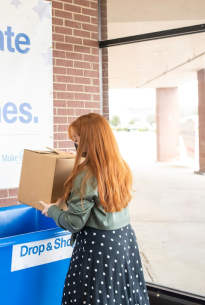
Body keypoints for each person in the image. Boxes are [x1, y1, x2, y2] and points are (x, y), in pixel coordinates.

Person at [39, 113, 149, 305]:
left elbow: (74, 222)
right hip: (124, 240)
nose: (75, 144)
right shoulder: (120, 166)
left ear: (89, 140)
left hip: (98, 247)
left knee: (93, 296)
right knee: (119, 294)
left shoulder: (86, 176)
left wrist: (52, 210)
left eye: (77, 140)